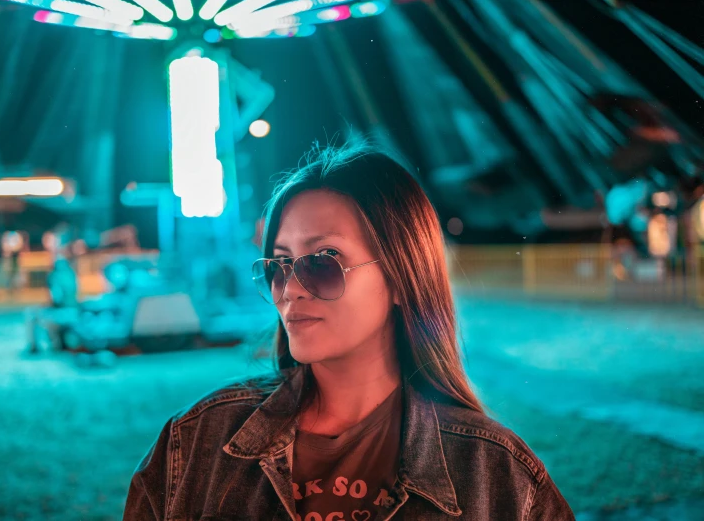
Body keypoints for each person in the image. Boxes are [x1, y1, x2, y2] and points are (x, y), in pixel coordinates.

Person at [123, 143, 575, 520]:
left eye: (322, 262)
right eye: (279, 265)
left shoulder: (496, 475)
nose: (290, 291)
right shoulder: (197, 441)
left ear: (401, 275)